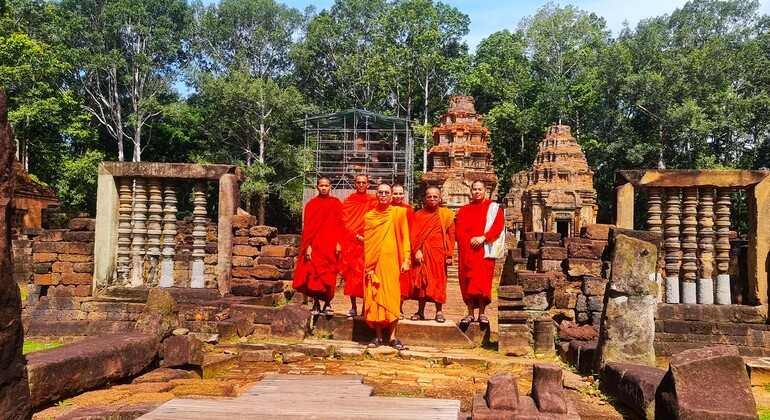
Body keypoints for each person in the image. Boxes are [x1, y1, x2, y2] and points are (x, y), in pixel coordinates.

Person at [362, 183, 410, 349]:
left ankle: (393, 337)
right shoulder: (369, 217)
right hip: (373, 264)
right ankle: (378, 336)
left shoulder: (399, 213)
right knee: (375, 297)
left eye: (386, 193)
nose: (383, 195)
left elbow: (405, 237)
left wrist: (406, 259)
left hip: (392, 263)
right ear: (376, 195)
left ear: (391, 196)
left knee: (392, 297)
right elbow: (368, 243)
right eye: (380, 192)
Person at [455, 180, 504, 325]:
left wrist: (483, 237)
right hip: (469, 250)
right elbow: (459, 230)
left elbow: (498, 227)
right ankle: (470, 313)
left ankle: (482, 313)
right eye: (474, 189)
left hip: (485, 250)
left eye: (479, 189)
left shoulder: (494, 209)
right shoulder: (464, 210)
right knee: (469, 281)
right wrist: (470, 240)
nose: (477, 192)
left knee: (483, 282)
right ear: (471, 191)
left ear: (485, 191)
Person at [292, 177, 342, 316]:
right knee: (314, 274)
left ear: (330, 187)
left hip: (331, 244)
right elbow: (307, 227)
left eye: (326, 185)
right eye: (321, 185)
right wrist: (308, 246)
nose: (324, 188)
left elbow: (341, 224)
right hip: (316, 245)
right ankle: (316, 303)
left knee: (330, 274)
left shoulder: (336, 203)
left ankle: (328, 303)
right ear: (317, 187)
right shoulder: (311, 205)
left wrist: (339, 242)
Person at [409, 187, 455, 323]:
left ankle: (439, 311)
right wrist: (416, 250)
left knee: (439, 282)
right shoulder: (419, 215)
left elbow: (451, 234)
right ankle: (420, 311)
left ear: (440, 198)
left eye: (435, 197)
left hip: (439, 253)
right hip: (422, 253)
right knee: (422, 281)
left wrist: (449, 254)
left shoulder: (446, 214)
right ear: (425, 198)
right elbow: (413, 235)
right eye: (429, 196)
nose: (432, 199)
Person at [339, 174, 376, 317]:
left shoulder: (373, 201)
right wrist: (356, 235)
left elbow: (376, 220)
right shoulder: (348, 202)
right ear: (354, 184)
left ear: (368, 185)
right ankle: (353, 307)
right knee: (352, 277)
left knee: (366, 276)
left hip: (368, 244)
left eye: (364, 182)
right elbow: (344, 222)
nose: (361, 185)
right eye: (358, 182)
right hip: (352, 244)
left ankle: (366, 307)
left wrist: (368, 237)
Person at [390, 183, 414, 319]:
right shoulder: (386, 208)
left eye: (400, 193)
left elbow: (410, 231)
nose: (398, 196)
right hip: (389, 247)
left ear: (404, 195)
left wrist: (408, 253)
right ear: (391, 194)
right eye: (395, 193)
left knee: (402, 279)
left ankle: (399, 307)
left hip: (403, 247)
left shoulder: (408, 210)